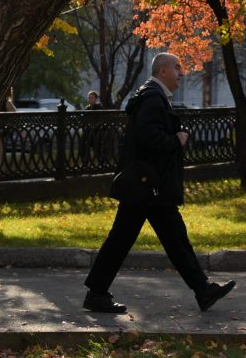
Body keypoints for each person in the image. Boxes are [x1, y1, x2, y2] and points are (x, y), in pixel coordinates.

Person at [83, 52, 234, 314]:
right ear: (162, 71)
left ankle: (202, 289)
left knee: (165, 238)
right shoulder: (153, 97)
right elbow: (147, 135)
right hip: (149, 187)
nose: (181, 73)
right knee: (138, 239)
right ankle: (201, 289)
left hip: (149, 186)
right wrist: (176, 140)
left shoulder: (151, 95)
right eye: (177, 67)